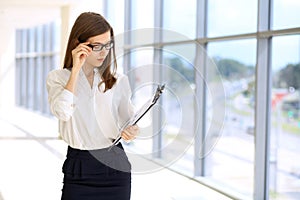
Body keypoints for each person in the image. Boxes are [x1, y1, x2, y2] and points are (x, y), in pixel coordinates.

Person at [46, 12, 139, 200]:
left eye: (107, 45)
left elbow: (128, 121)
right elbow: (62, 112)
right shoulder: (58, 78)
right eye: (96, 46)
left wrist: (132, 130)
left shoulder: (118, 81)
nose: (103, 52)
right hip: (79, 165)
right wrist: (76, 71)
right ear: (78, 45)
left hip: (115, 166)